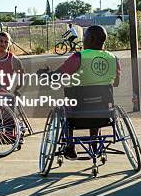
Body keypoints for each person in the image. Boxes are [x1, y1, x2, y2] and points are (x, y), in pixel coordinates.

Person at [48, 25, 121, 160]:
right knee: (96, 102)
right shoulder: (114, 59)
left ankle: (70, 146)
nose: (83, 40)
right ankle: (94, 144)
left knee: (67, 105)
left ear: (91, 39)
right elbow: (115, 83)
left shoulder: (79, 56)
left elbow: (58, 74)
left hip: (77, 114)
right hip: (104, 113)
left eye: (85, 37)